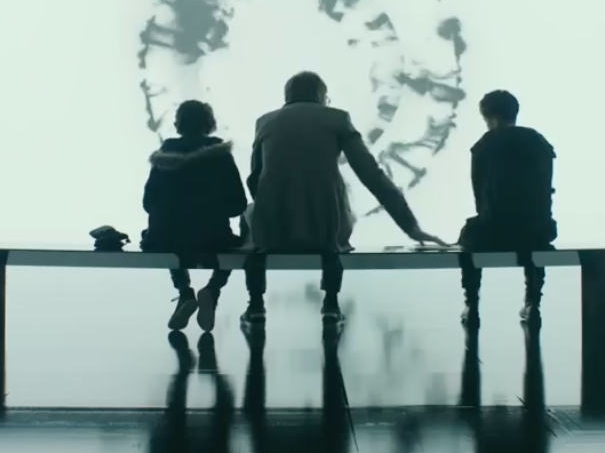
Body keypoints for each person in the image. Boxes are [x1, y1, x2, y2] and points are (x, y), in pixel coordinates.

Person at [243, 71, 446, 324]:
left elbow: (254, 178)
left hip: (273, 232)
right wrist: (411, 227)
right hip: (326, 231)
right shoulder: (337, 119)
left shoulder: (265, 122)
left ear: (287, 96)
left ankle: (255, 304)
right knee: (340, 215)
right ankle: (331, 304)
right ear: (321, 96)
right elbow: (372, 176)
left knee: (251, 216)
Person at [141, 100, 248, 332]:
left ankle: (184, 292)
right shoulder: (221, 156)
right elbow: (238, 205)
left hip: (166, 238)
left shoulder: (164, 156)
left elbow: (148, 204)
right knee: (239, 245)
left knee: (164, 237)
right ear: (209, 123)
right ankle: (212, 290)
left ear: (178, 124)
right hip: (212, 238)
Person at [459, 90, 557, 327]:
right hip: (536, 232)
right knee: (537, 238)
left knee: (468, 236)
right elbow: (545, 191)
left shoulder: (484, 146)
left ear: (490, 117)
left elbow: (480, 199)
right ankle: (533, 302)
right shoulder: (539, 143)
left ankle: (471, 304)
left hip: (495, 232)